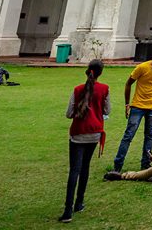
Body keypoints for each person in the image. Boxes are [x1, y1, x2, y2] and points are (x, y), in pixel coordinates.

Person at [62, 59, 109, 223]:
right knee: (85, 167)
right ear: (101, 73)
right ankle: (79, 203)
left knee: (74, 170)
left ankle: (68, 211)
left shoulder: (78, 89)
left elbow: (69, 113)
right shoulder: (104, 89)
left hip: (78, 133)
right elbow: (107, 110)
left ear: (87, 70)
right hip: (95, 133)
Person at [112, 50, 152, 173]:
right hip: (138, 107)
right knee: (128, 135)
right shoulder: (142, 67)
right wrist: (127, 103)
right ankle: (118, 165)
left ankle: (145, 164)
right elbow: (128, 84)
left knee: (150, 136)